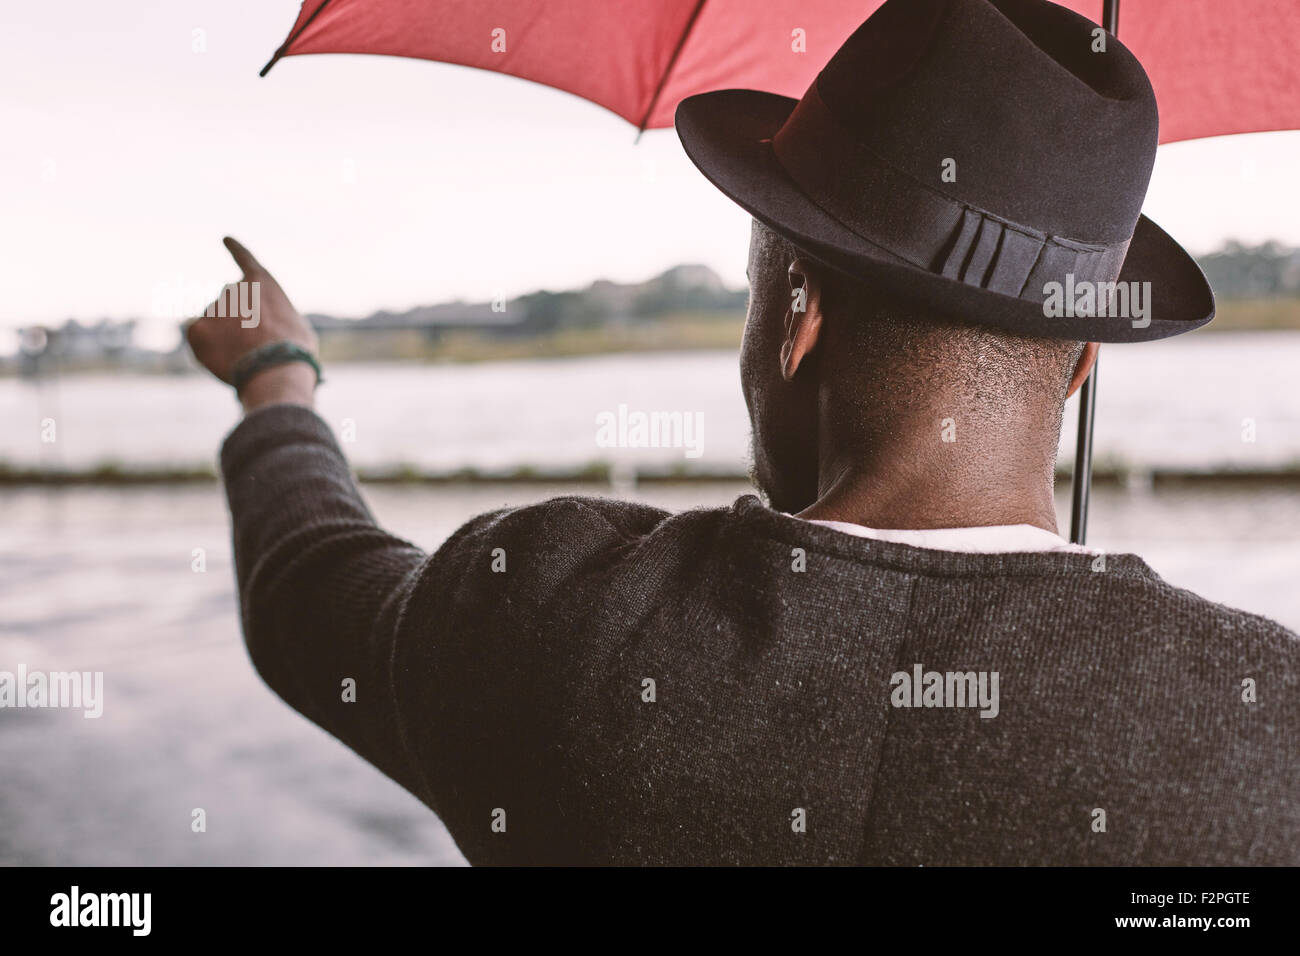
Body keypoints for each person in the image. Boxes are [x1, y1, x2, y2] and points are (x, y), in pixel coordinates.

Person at [187, 0, 1298, 865]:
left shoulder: (546, 619)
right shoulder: (1264, 732)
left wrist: (274, 376)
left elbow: (310, 591)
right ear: (1082, 360)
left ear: (799, 311)